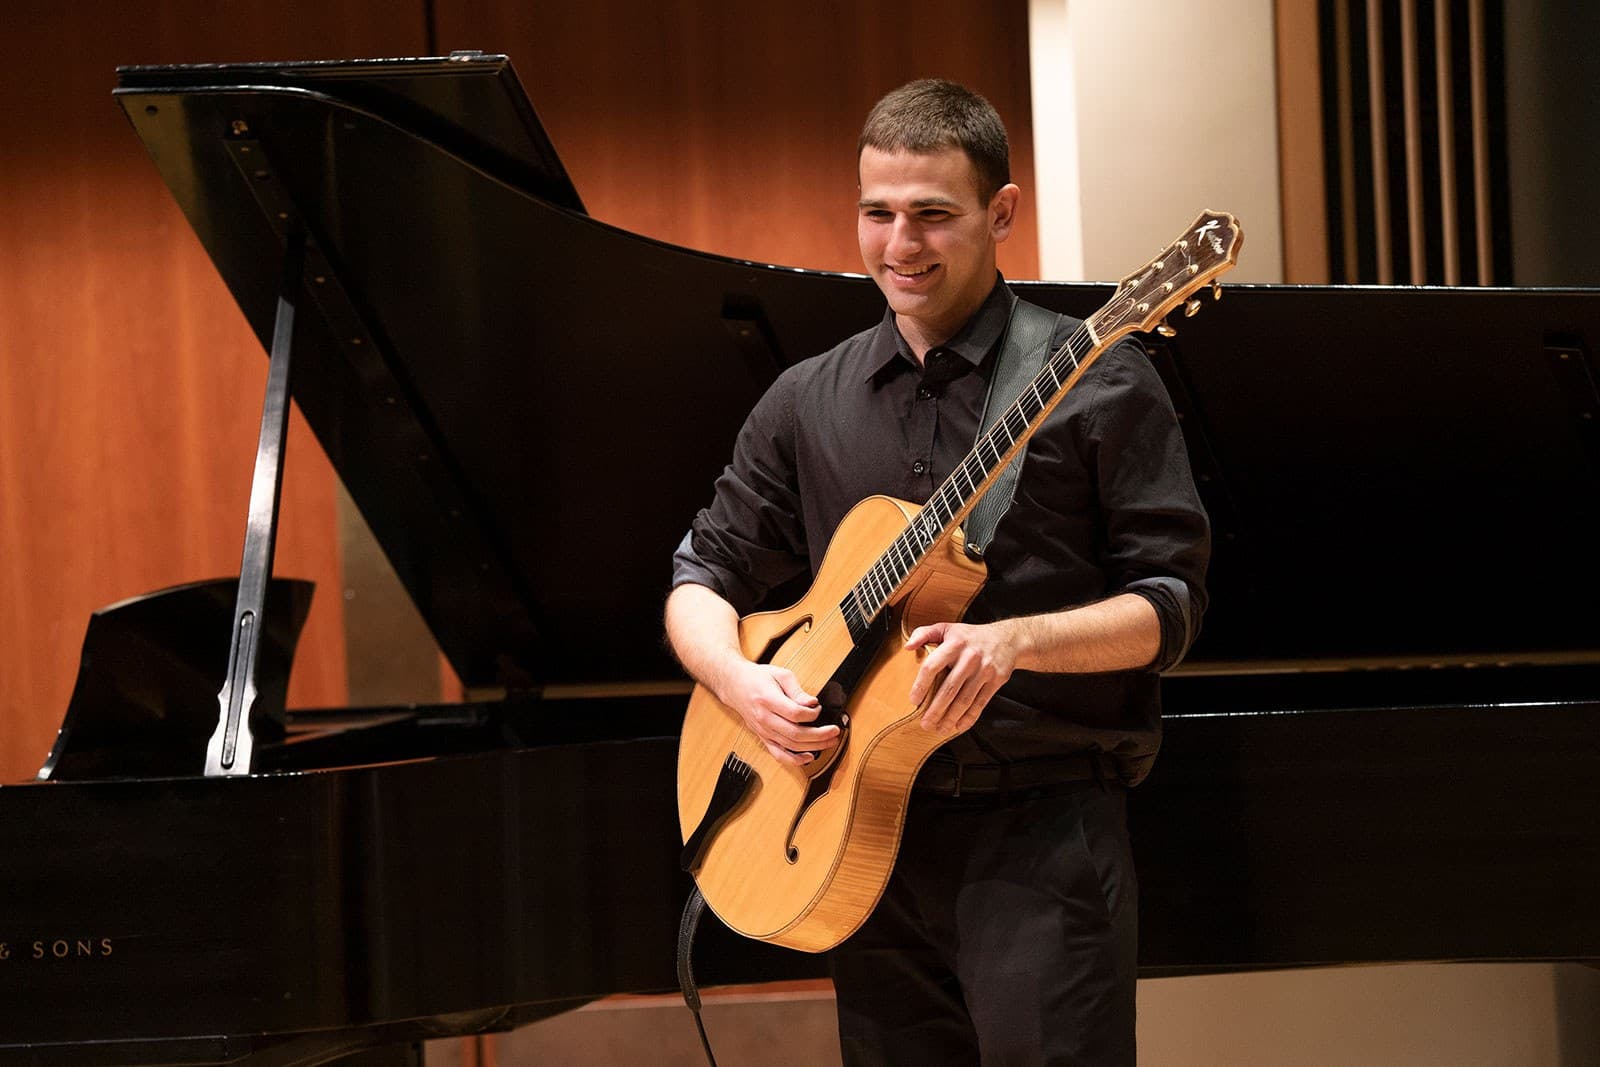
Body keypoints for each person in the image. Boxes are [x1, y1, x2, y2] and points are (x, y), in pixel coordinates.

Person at [666, 79, 1209, 1066]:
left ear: (1001, 212)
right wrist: (740, 682)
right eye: (877, 213)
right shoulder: (805, 400)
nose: (898, 246)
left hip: (1041, 838)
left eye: (932, 215)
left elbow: (1169, 606)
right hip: (857, 836)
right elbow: (701, 576)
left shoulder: (1100, 377)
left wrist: (1016, 639)